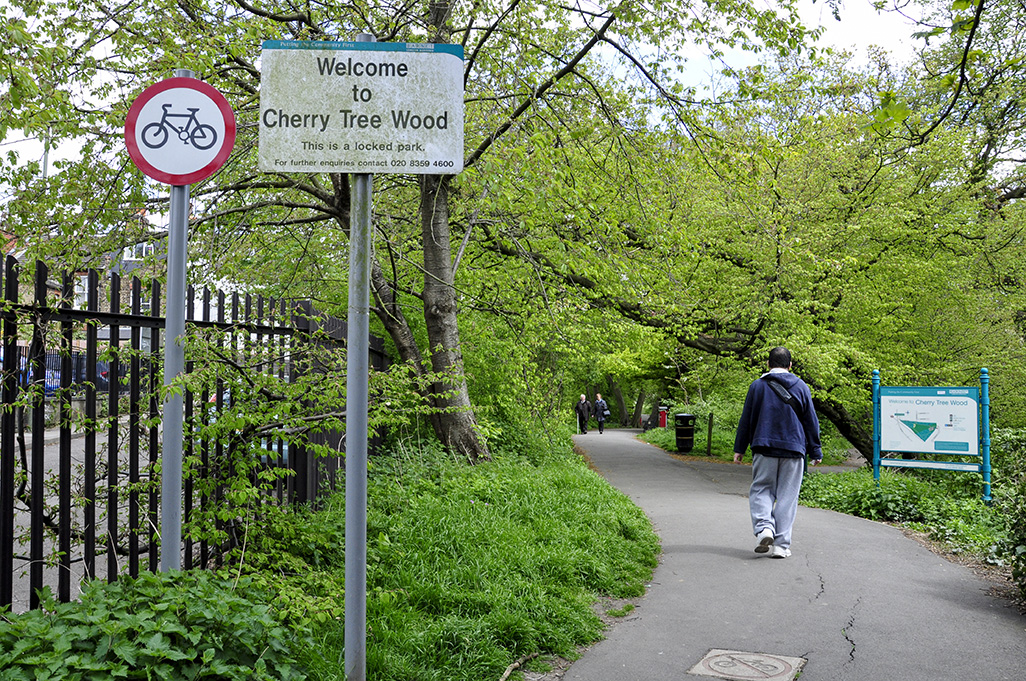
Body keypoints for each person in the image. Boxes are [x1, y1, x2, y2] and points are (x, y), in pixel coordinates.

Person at [733, 347, 822, 559]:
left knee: (762, 489)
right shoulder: (801, 386)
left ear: (768, 364)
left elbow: (747, 419)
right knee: (787, 497)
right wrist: (815, 449)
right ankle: (781, 546)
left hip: (764, 447)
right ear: (790, 365)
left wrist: (740, 448)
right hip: (794, 449)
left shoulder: (757, 386)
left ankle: (764, 528)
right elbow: (810, 420)